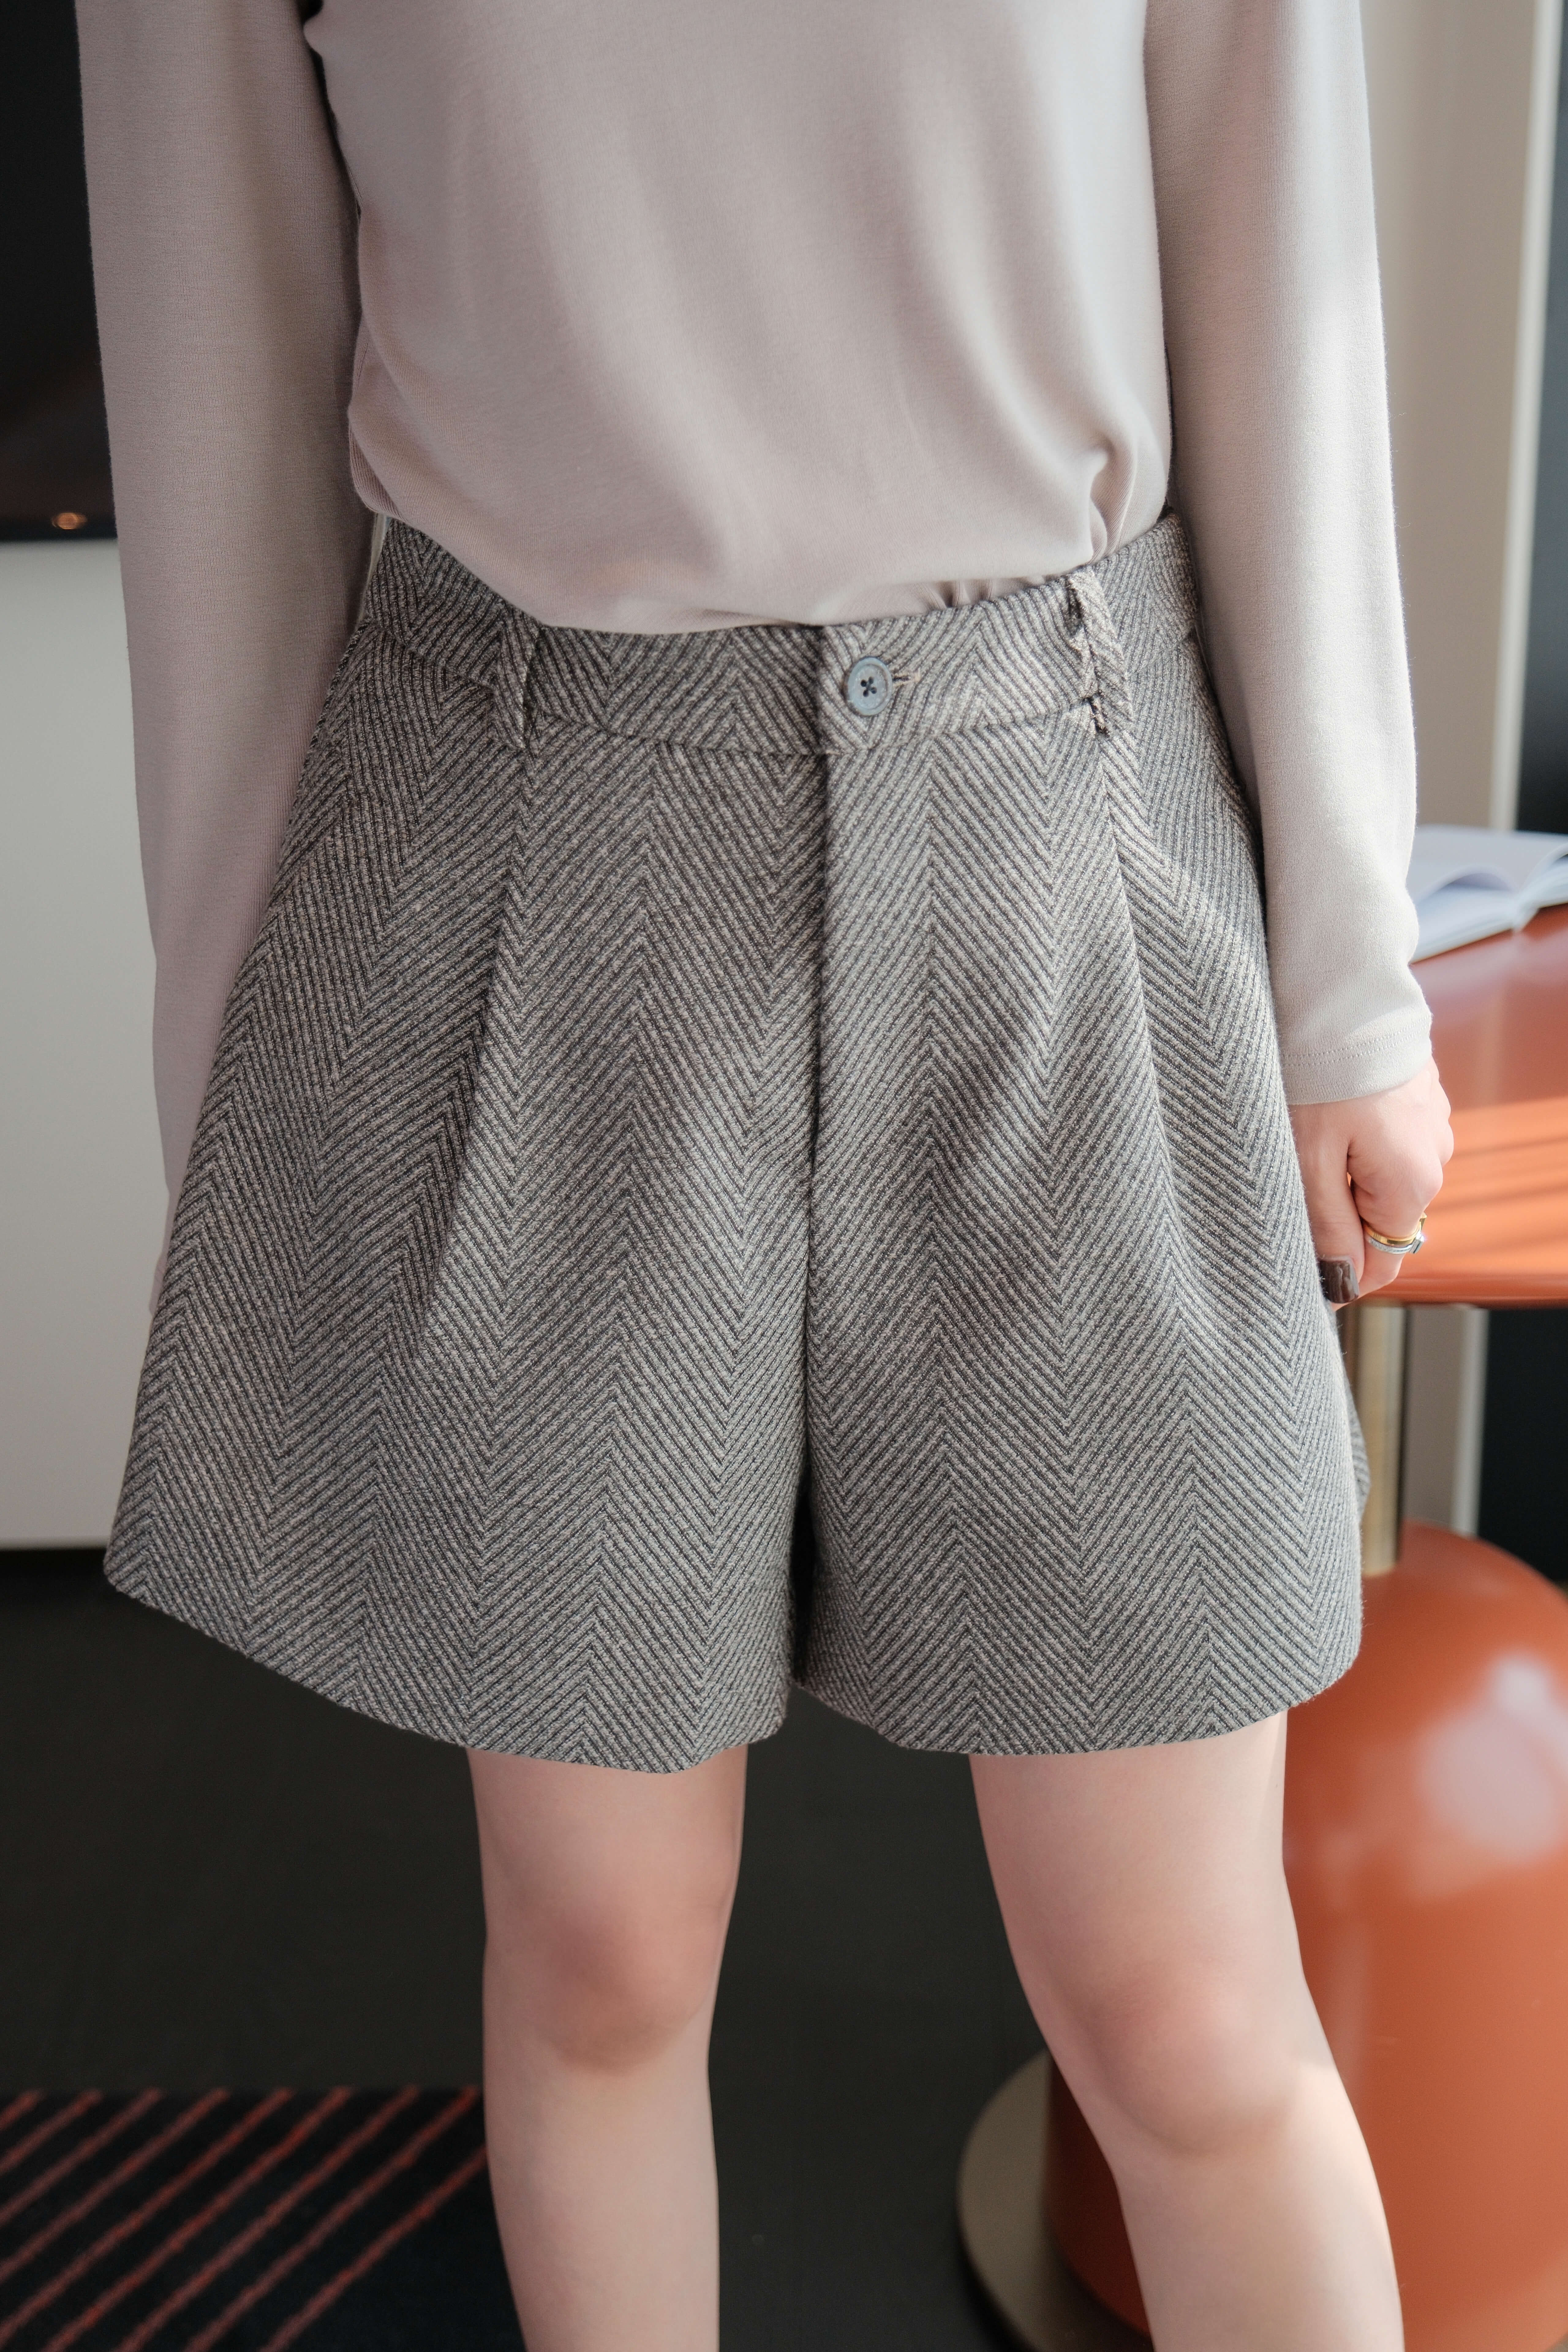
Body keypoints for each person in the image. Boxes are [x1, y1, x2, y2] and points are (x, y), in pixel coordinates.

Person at [77, 2, 1453, 2345]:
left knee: (1185, 2006)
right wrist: (250, 1096)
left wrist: (1349, 977)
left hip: (1065, 839)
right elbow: (222, 417)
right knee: (603, 1955)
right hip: (534, 844)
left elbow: (1278, 257)